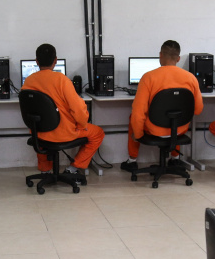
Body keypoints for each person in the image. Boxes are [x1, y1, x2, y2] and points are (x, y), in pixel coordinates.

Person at [21, 43, 105, 175]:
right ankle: (73, 168)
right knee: (98, 133)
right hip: (63, 132)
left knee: (41, 128)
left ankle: (45, 170)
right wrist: (82, 125)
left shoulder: (28, 81)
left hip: (39, 133)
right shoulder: (62, 80)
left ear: (36, 61)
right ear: (55, 60)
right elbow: (78, 109)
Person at [121, 40, 203, 170]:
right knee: (175, 116)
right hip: (179, 130)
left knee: (133, 117)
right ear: (178, 58)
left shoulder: (148, 77)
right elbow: (198, 109)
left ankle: (132, 161)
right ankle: (175, 159)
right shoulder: (191, 78)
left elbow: (138, 112)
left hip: (155, 130)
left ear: (160, 55)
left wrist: (137, 135)